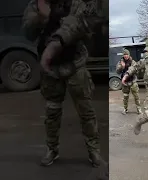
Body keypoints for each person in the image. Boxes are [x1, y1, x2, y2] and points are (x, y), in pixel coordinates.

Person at [22, 0, 102, 167]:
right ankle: (52, 149)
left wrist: (56, 23)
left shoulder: (75, 3)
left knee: (86, 112)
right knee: (52, 112)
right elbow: (28, 34)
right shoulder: (36, 5)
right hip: (51, 69)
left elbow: (83, 26)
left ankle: (93, 151)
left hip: (75, 64)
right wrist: (40, 18)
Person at [116, 49, 142, 115]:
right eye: (124, 54)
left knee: (136, 96)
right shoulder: (120, 62)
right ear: (123, 55)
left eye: (127, 54)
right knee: (125, 97)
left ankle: (139, 109)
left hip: (133, 81)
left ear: (129, 55)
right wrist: (122, 67)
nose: (126, 56)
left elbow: (134, 69)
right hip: (125, 83)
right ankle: (125, 109)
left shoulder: (132, 62)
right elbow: (117, 71)